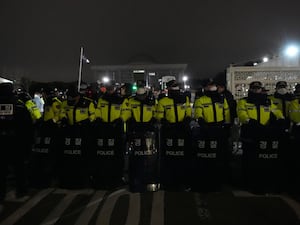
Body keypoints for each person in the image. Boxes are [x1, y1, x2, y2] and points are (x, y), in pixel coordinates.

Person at [0, 83, 34, 209]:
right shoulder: (19, 106)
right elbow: (28, 128)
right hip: (17, 144)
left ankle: (1, 194)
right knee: (19, 169)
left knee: (1, 171)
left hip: (2, 144)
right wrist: (28, 145)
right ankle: (21, 191)